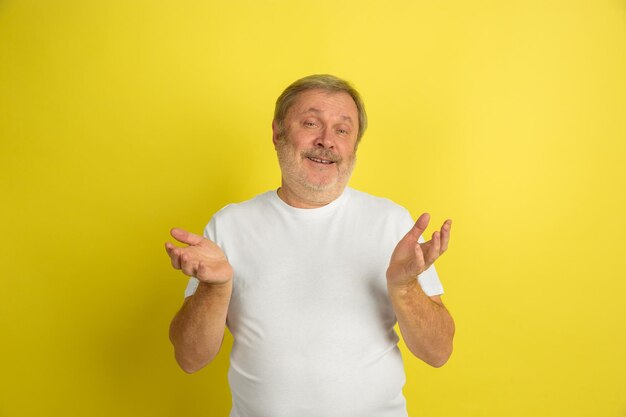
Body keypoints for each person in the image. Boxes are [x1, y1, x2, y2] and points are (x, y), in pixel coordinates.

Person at [165, 74, 455, 417]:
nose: (326, 141)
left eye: (343, 130)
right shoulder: (229, 226)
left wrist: (405, 288)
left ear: (354, 146)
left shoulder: (392, 223)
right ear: (277, 133)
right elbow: (189, 358)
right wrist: (214, 289)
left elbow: (438, 353)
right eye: (310, 123)